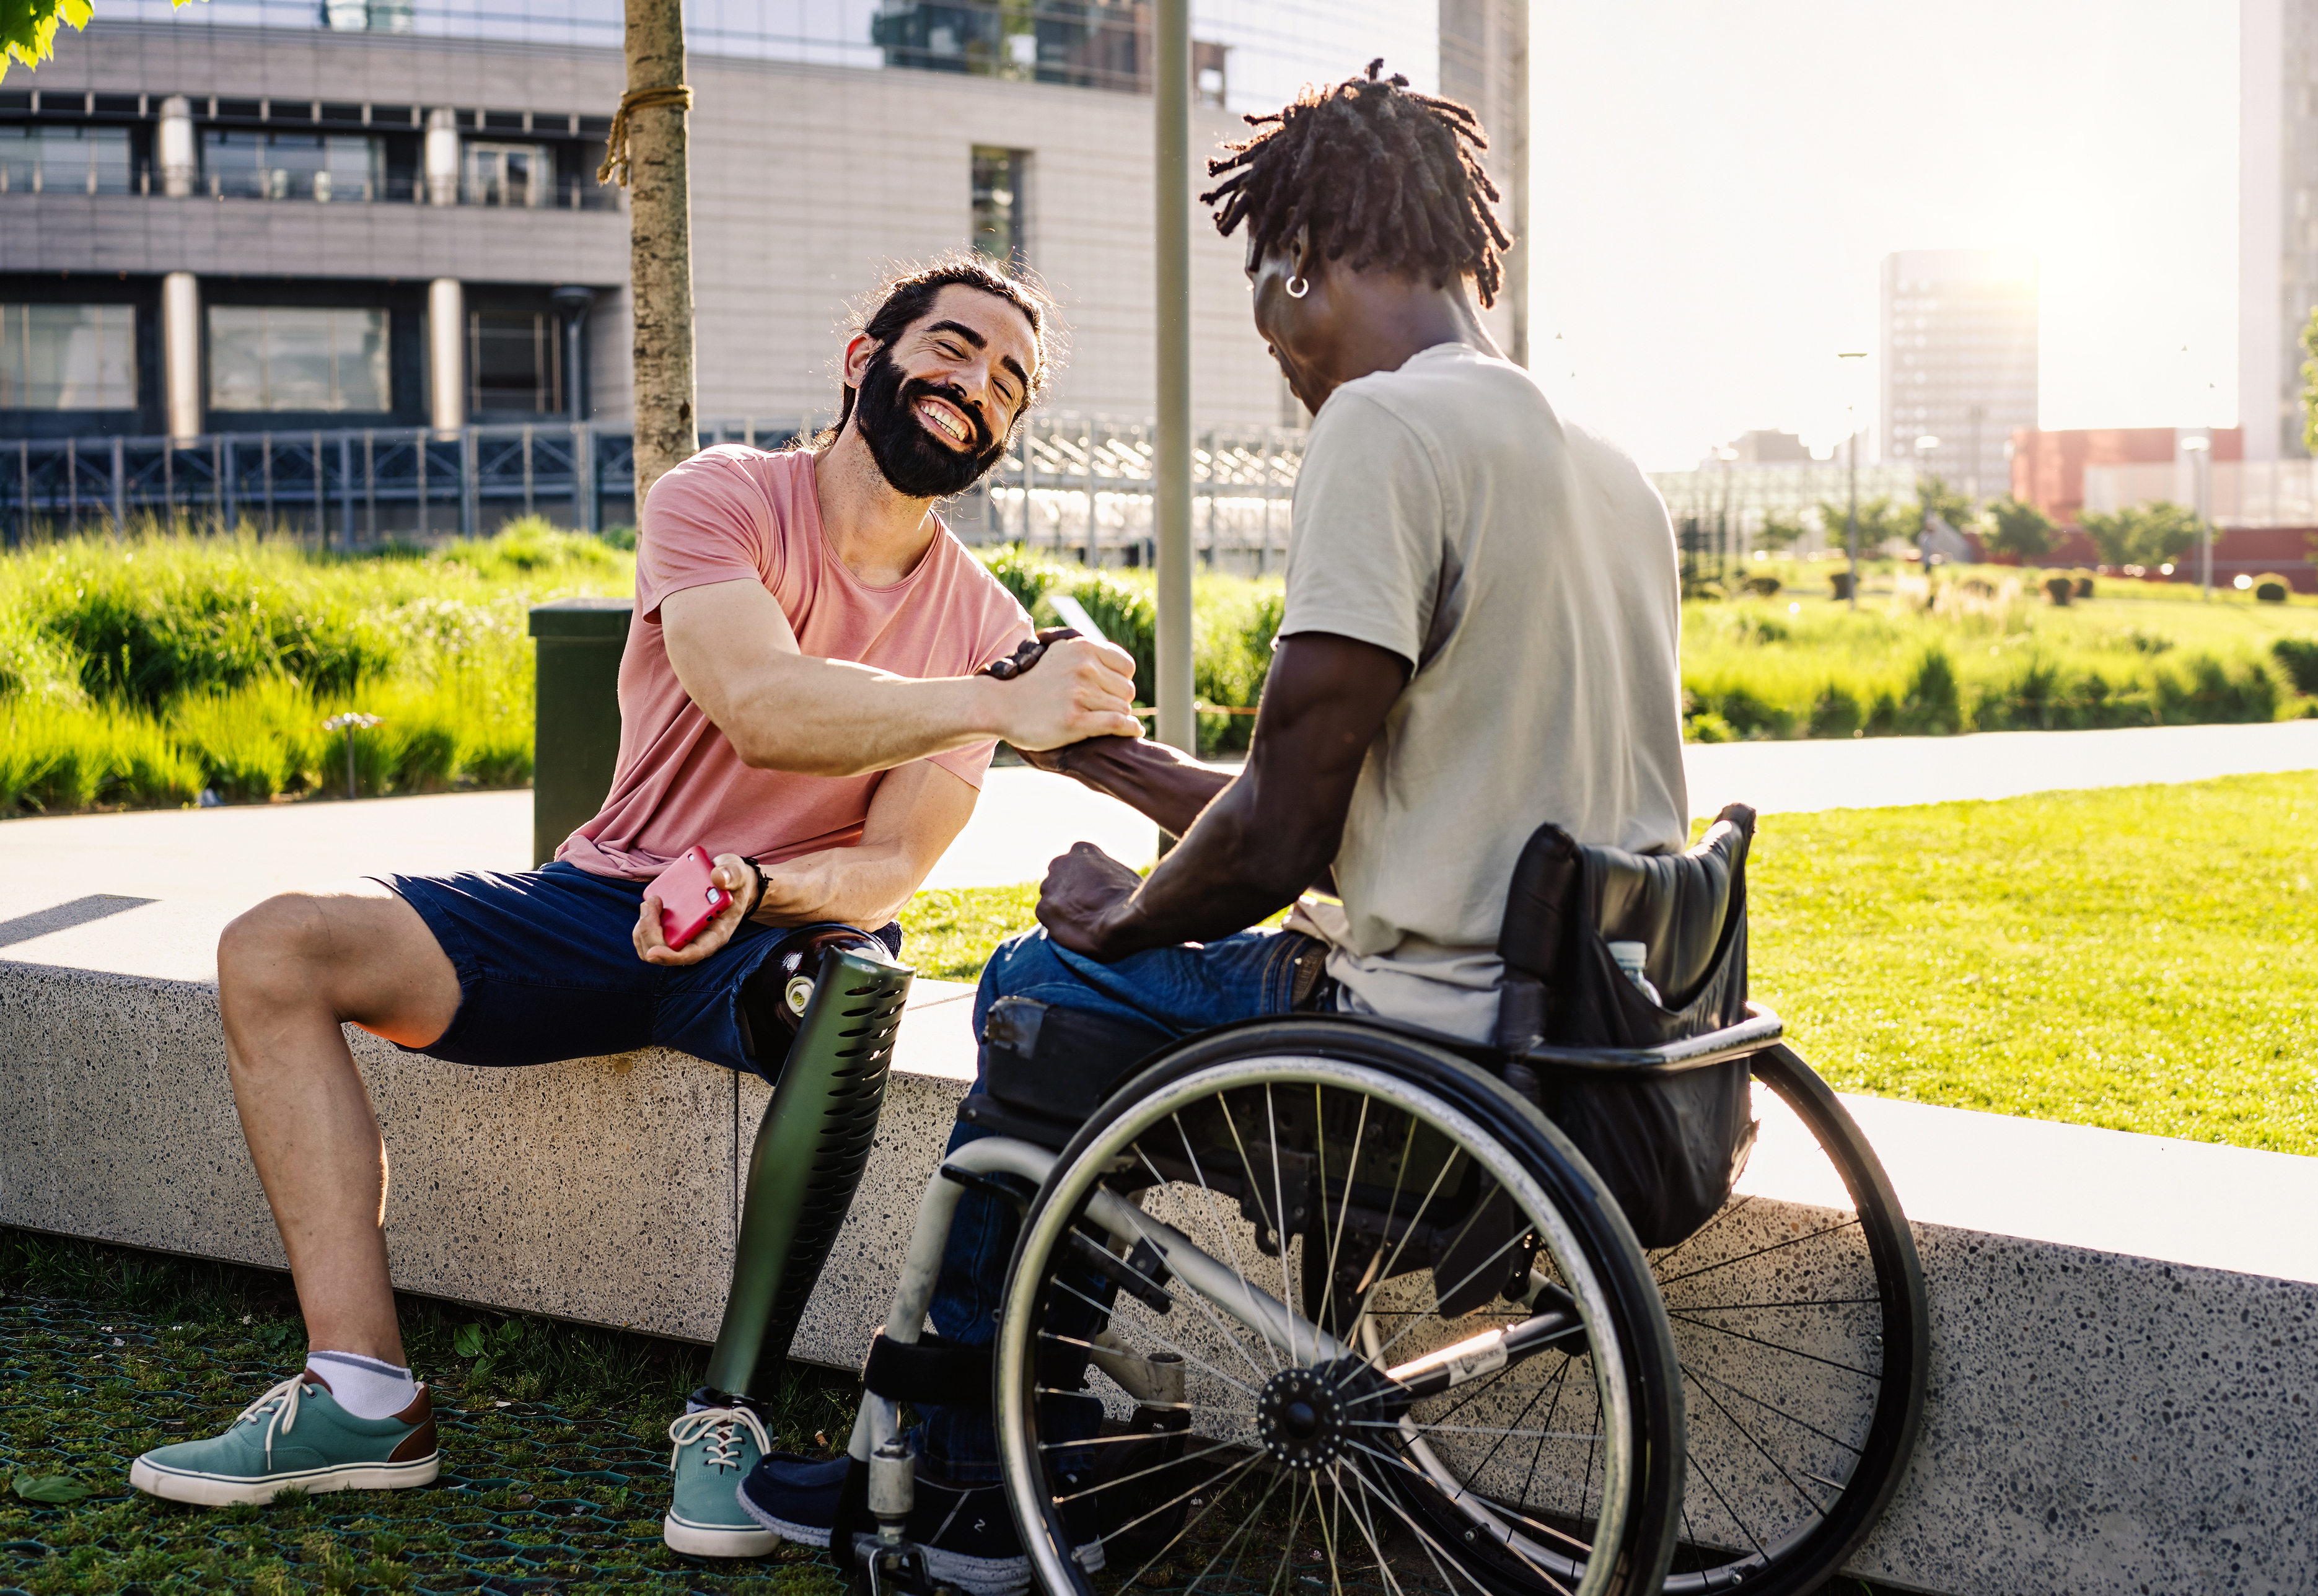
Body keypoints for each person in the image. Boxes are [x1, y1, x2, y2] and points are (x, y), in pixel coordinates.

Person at [734, 60, 1692, 1592]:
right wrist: (1103, 760)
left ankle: (977, 1483)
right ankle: (1048, 1421)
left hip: (1421, 1045)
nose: (1285, 365)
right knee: (1103, 972)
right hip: (1588, 1030)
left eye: (1271, 316)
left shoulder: (1386, 428)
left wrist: (1119, 916)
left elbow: (1277, 839)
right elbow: (1344, 811)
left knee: (1041, 990)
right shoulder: (1608, 467)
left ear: (1301, 266)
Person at [126, 255, 1143, 1559]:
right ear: (862, 355)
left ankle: (727, 1415)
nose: (975, 389)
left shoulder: (982, 617)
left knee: (860, 975)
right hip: (602, 902)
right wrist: (998, 699)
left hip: (777, 939)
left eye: (1010, 382)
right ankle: (363, 1396)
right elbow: (757, 698)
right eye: (951, 349)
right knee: (274, 945)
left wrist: (761, 882)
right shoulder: (717, 496)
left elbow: (891, 867)